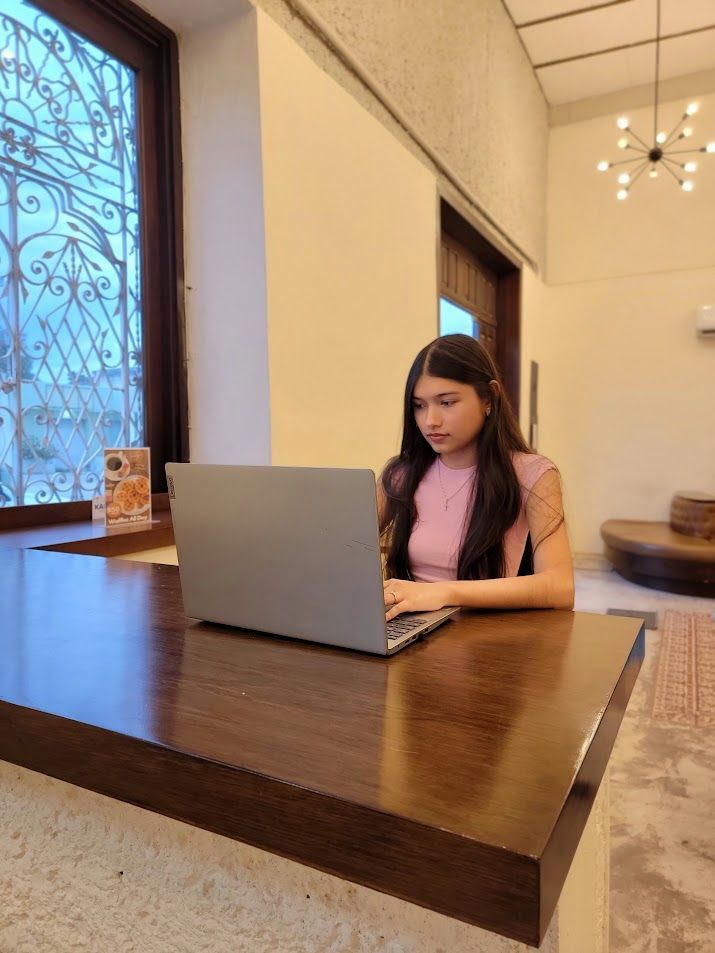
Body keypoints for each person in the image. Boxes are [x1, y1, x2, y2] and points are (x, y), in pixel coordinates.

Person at [378, 333, 574, 620]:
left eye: (446, 403)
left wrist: (444, 592)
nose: (430, 420)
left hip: (484, 637)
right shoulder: (401, 474)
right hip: (409, 631)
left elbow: (560, 588)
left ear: (488, 398)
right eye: (419, 405)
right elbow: (341, 549)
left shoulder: (532, 474)